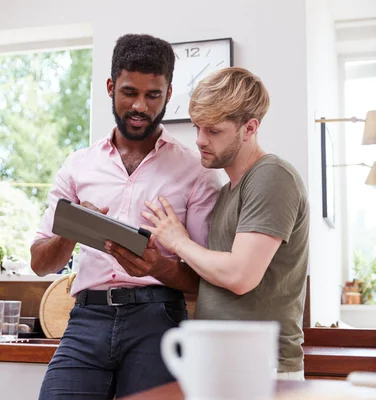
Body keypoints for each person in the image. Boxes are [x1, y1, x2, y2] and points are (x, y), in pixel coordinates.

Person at [31, 34, 221, 399]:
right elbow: (40, 263)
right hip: (87, 318)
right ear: (110, 87)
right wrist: (71, 230)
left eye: (153, 95)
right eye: (129, 92)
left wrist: (156, 267)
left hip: (159, 321)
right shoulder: (78, 165)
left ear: (168, 94)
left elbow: (203, 282)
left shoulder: (195, 170)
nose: (140, 106)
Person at [107, 67, 309, 380]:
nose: (200, 140)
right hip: (221, 364)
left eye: (213, 131)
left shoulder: (271, 176)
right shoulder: (230, 189)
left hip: (260, 369)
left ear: (249, 128)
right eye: (197, 128)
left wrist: (178, 241)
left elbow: (240, 276)